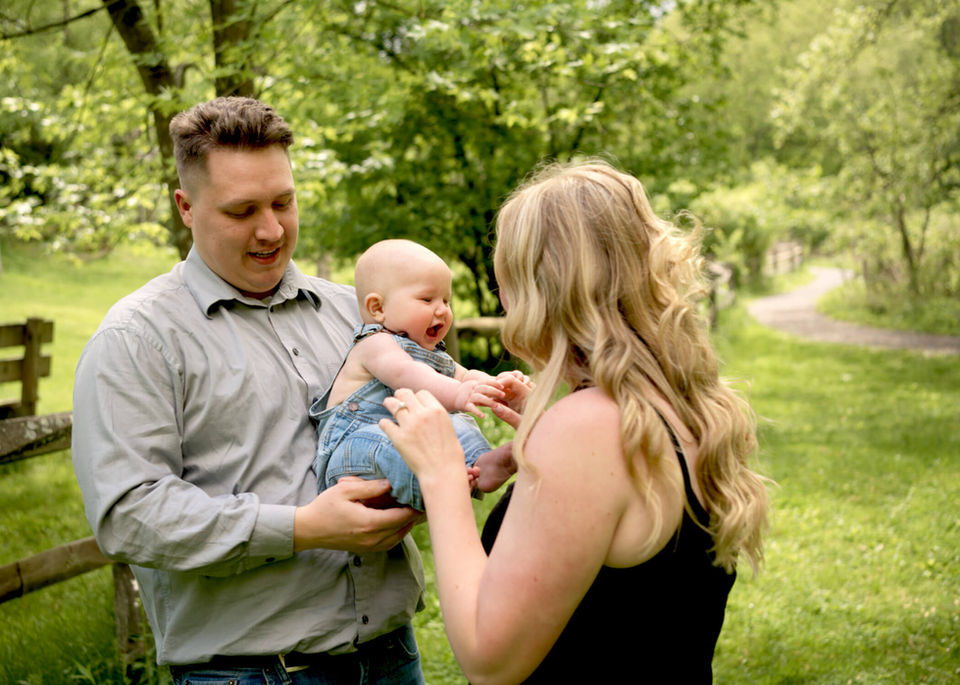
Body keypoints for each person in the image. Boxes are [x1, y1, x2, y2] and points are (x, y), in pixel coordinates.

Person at [71, 96, 428, 684]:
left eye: (283, 203)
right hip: (251, 675)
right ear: (186, 207)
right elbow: (128, 513)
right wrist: (302, 528)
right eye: (241, 211)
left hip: (393, 658)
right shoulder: (137, 340)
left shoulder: (354, 313)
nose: (271, 229)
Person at [380, 161, 771, 684]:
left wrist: (443, 474)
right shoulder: (686, 406)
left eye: (508, 288)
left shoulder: (587, 429)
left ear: (546, 292)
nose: (507, 309)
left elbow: (490, 660)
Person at [310, 238, 529, 511]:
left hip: (404, 444)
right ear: (378, 308)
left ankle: (483, 464)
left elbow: (462, 375)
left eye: (446, 300)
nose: (442, 310)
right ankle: (440, 482)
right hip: (353, 453)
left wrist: (497, 385)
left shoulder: (430, 351)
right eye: (427, 299)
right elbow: (408, 374)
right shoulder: (374, 345)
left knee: (458, 423)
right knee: (390, 440)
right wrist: (460, 393)